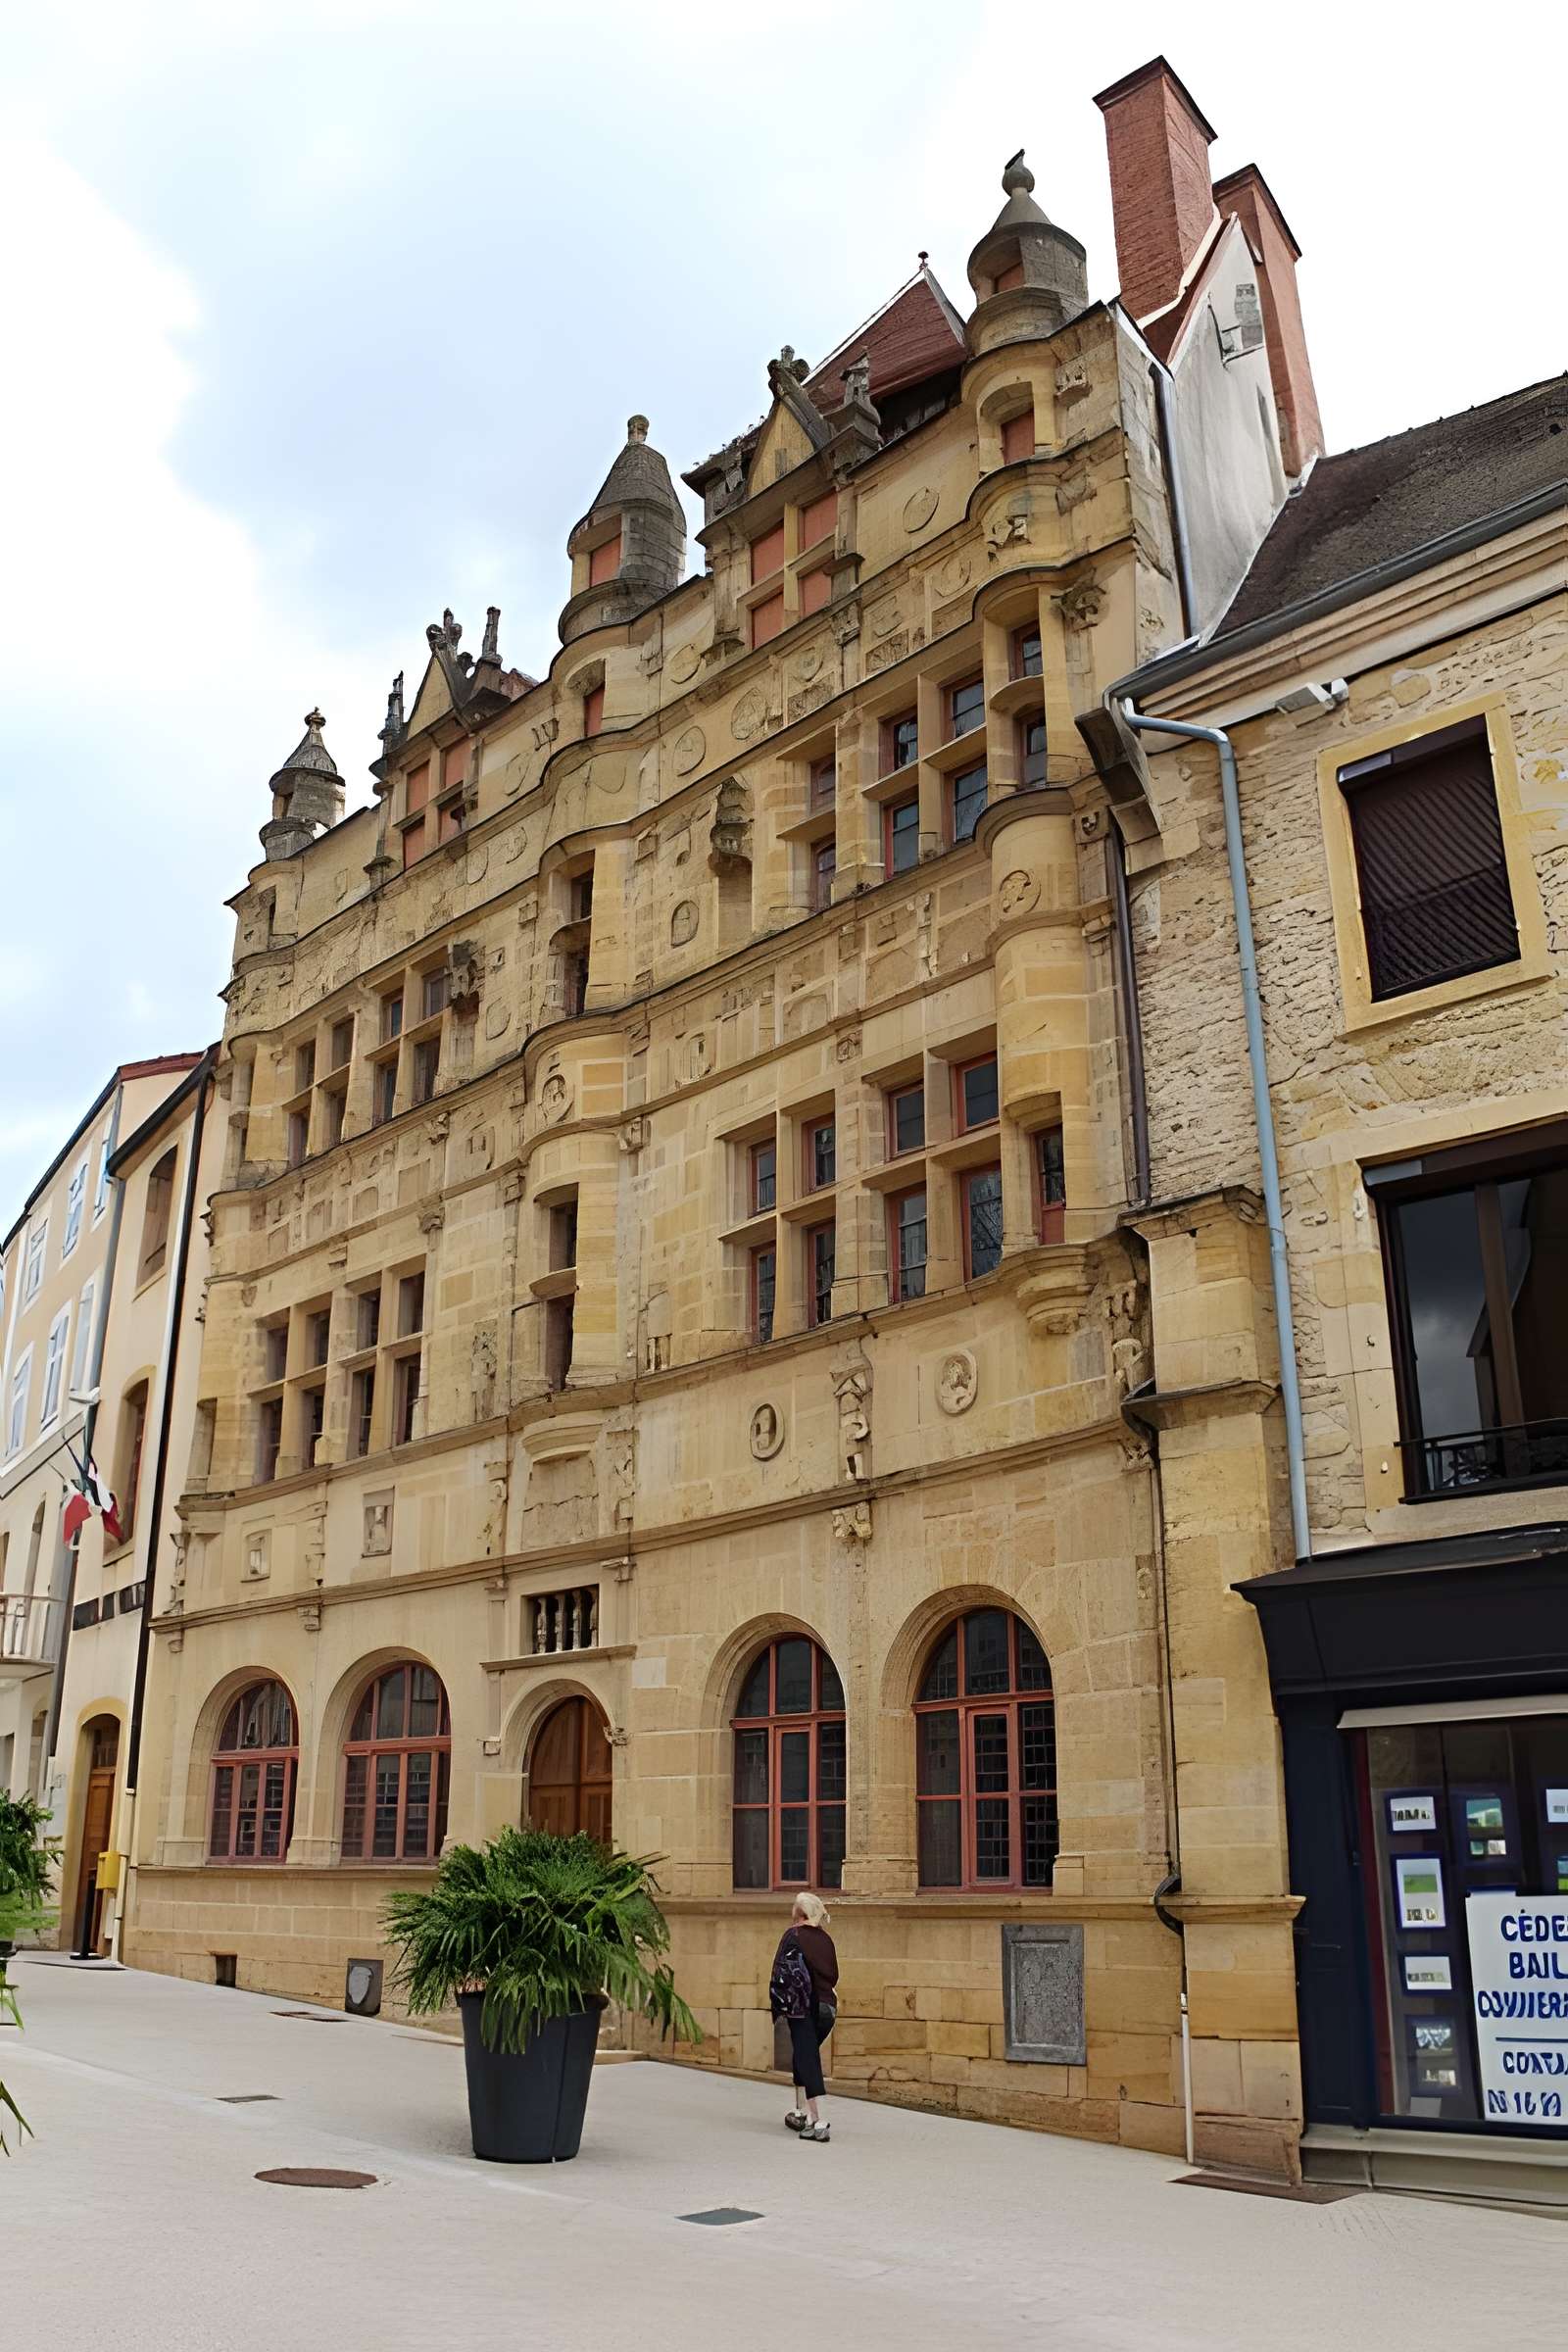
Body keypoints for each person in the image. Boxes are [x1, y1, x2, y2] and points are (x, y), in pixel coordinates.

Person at [769, 1891, 837, 2143]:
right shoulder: (826, 1939)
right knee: (802, 2054)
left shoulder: (793, 1935)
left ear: (800, 1914)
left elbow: (781, 1975)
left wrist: (778, 2006)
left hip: (802, 2006)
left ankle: (818, 2120)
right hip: (827, 2008)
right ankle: (800, 2112)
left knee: (807, 2058)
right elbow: (834, 1974)